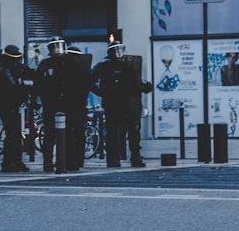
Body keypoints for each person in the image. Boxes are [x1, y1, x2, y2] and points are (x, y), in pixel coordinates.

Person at [92, 40, 153, 168]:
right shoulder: (104, 67)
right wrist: (102, 93)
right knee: (113, 133)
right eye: (116, 50)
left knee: (134, 132)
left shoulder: (130, 65)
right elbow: (91, 81)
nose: (119, 53)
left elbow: (136, 83)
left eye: (121, 50)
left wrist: (145, 86)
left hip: (129, 104)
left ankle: (135, 157)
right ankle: (114, 158)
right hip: (114, 104)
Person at [37, 35, 79, 172]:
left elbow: (80, 83)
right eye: (54, 47)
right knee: (49, 135)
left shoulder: (72, 63)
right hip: (50, 104)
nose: (57, 50)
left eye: (59, 46)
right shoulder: (45, 64)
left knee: (69, 134)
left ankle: (69, 161)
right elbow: (38, 83)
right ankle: (48, 163)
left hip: (68, 104)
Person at [0, 44, 34, 172]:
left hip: (14, 103)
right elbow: (12, 87)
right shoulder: (5, 69)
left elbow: (30, 77)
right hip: (8, 104)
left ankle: (16, 161)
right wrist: (23, 85)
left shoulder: (16, 68)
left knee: (16, 134)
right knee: (12, 134)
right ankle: (9, 162)